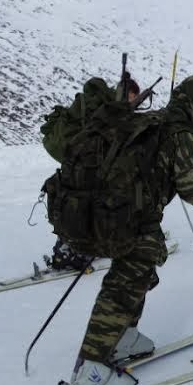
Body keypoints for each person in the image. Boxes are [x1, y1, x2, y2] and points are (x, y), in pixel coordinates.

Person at [44, 73, 193, 385]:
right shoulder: (179, 135)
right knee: (127, 279)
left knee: (141, 265)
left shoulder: (147, 121)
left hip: (93, 214)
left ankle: (123, 337)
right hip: (121, 221)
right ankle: (91, 371)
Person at [48, 73, 141, 272]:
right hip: (85, 161)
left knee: (75, 202)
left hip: (75, 159)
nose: (134, 103)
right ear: (127, 94)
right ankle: (75, 250)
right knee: (89, 203)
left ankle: (70, 248)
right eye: (133, 97)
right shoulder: (106, 108)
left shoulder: (96, 103)